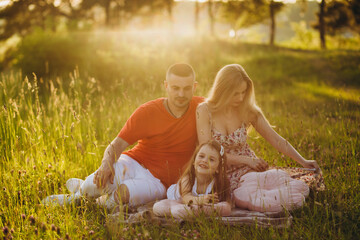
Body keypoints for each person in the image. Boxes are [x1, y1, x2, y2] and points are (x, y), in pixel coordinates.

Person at [42, 63, 203, 208]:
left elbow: (224, 101)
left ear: (194, 87)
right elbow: (117, 145)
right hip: (133, 162)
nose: (181, 94)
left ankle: (88, 196)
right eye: (176, 88)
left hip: (159, 183)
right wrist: (107, 165)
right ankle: (78, 194)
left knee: (117, 199)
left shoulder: (202, 109)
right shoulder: (148, 111)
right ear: (166, 86)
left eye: (187, 88)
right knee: (95, 184)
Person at [196, 64, 319, 212]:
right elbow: (208, 152)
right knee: (248, 194)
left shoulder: (248, 111)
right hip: (218, 171)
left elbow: (277, 140)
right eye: (235, 93)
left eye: (243, 92)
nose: (241, 98)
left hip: (250, 170)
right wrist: (246, 160)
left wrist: (303, 161)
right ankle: (281, 203)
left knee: (300, 180)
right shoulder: (204, 110)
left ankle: (286, 200)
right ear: (223, 91)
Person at [153, 140, 231, 219]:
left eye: (211, 159)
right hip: (181, 200)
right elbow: (186, 198)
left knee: (226, 206)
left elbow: (223, 200)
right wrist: (200, 200)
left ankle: (202, 210)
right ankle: (190, 210)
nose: (204, 161)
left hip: (197, 204)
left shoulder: (218, 182)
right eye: (201, 156)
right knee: (159, 207)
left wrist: (213, 200)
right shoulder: (188, 178)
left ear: (218, 168)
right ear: (194, 161)